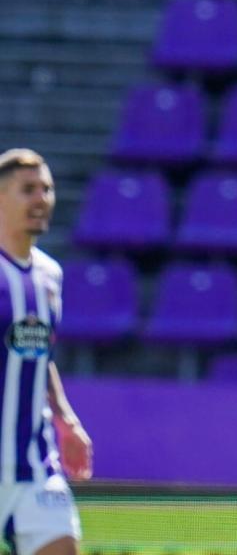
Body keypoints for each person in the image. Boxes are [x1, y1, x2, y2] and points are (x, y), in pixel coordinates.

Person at [0, 149, 93, 555]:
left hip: (34, 464)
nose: (41, 199)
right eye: (28, 190)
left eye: (47, 189)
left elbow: (38, 355)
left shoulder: (49, 275)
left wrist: (65, 418)